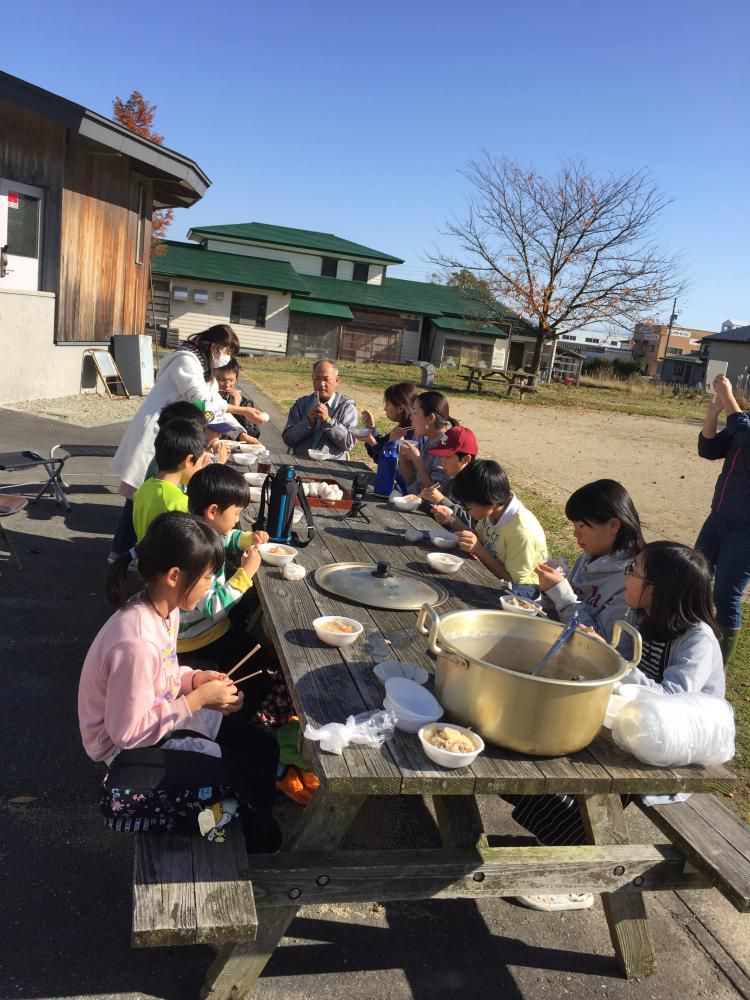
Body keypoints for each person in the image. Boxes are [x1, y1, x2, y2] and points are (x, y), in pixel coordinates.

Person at [508, 539, 725, 912]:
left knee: (588, 777)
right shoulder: (643, 616)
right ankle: (560, 845)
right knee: (544, 744)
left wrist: (616, 665)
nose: (628, 577)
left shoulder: (697, 640)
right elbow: (623, 665)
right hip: (636, 727)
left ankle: (581, 879)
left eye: (634, 572)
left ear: (659, 589)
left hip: (675, 750)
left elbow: (674, 701)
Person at [79, 511, 281, 852]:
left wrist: (195, 679)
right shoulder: (136, 644)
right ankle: (251, 840)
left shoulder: (163, 608)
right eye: (206, 579)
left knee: (264, 747)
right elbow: (126, 733)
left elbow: (166, 673)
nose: (209, 587)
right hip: (128, 748)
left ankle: (252, 823)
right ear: (175, 576)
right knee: (238, 775)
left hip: (160, 714)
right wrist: (198, 700)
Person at [110, 325, 263, 561]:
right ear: (214, 347)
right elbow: (201, 400)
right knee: (141, 494)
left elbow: (213, 403)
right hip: (158, 433)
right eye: (227, 350)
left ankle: (134, 554)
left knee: (149, 494)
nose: (227, 357)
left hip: (176, 433)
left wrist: (240, 433)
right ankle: (121, 553)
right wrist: (243, 411)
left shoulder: (206, 368)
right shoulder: (186, 361)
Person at [535, 479, 645, 642]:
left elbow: (602, 644)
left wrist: (562, 594)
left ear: (614, 525)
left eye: (582, 526)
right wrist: (549, 591)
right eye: (574, 526)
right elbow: (558, 614)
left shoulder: (629, 580)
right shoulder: (587, 557)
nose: (575, 533)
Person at [694, 374, 750, 665]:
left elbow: (744, 436)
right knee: (696, 578)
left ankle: (719, 667)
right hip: (718, 518)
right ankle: (691, 646)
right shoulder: (744, 419)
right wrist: (712, 413)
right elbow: (709, 449)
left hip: (746, 531)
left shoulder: (743, 424)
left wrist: (728, 398)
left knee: (726, 594)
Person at [447, 460, 547, 598]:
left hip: (520, 595)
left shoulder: (522, 531)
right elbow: (479, 539)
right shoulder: (493, 511)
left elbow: (513, 580)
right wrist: (451, 520)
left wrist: (478, 549)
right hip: (490, 576)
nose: (466, 512)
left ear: (489, 500)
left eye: (467, 508)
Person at [132, 420, 207, 542]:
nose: (201, 467)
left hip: (144, 557)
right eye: (201, 462)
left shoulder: (144, 488)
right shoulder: (179, 502)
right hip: (167, 559)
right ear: (188, 460)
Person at [282, 359, 357, 460]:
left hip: (332, 467)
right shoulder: (301, 404)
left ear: (337, 380)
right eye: (317, 378)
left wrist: (328, 421)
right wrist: (307, 422)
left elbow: (349, 443)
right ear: (312, 379)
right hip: (301, 461)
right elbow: (288, 439)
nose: (321, 384)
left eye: (326, 379)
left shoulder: (346, 407)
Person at [361, 381, 417, 496]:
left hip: (406, 493)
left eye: (387, 404)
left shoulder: (408, 434)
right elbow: (382, 445)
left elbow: (387, 462)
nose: (385, 408)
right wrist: (371, 427)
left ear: (400, 408)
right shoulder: (403, 427)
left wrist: (373, 444)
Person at [397, 391, 457, 496]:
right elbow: (412, 481)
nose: (411, 417)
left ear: (430, 418)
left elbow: (436, 494)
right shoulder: (430, 440)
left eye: (415, 413)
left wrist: (417, 459)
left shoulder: (445, 449)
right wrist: (403, 453)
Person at [421, 426, 478, 528]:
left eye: (448, 457)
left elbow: (474, 526)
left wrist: (442, 500)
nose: (442, 461)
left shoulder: (476, 487)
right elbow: (452, 521)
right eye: (441, 456)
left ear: (466, 460)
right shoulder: (453, 481)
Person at [216, 358, 261, 441]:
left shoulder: (245, 403)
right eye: (222, 380)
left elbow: (253, 435)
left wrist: (238, 411)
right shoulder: (206, 399)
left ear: (236, 379)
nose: (227, 385)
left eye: (231, 380)